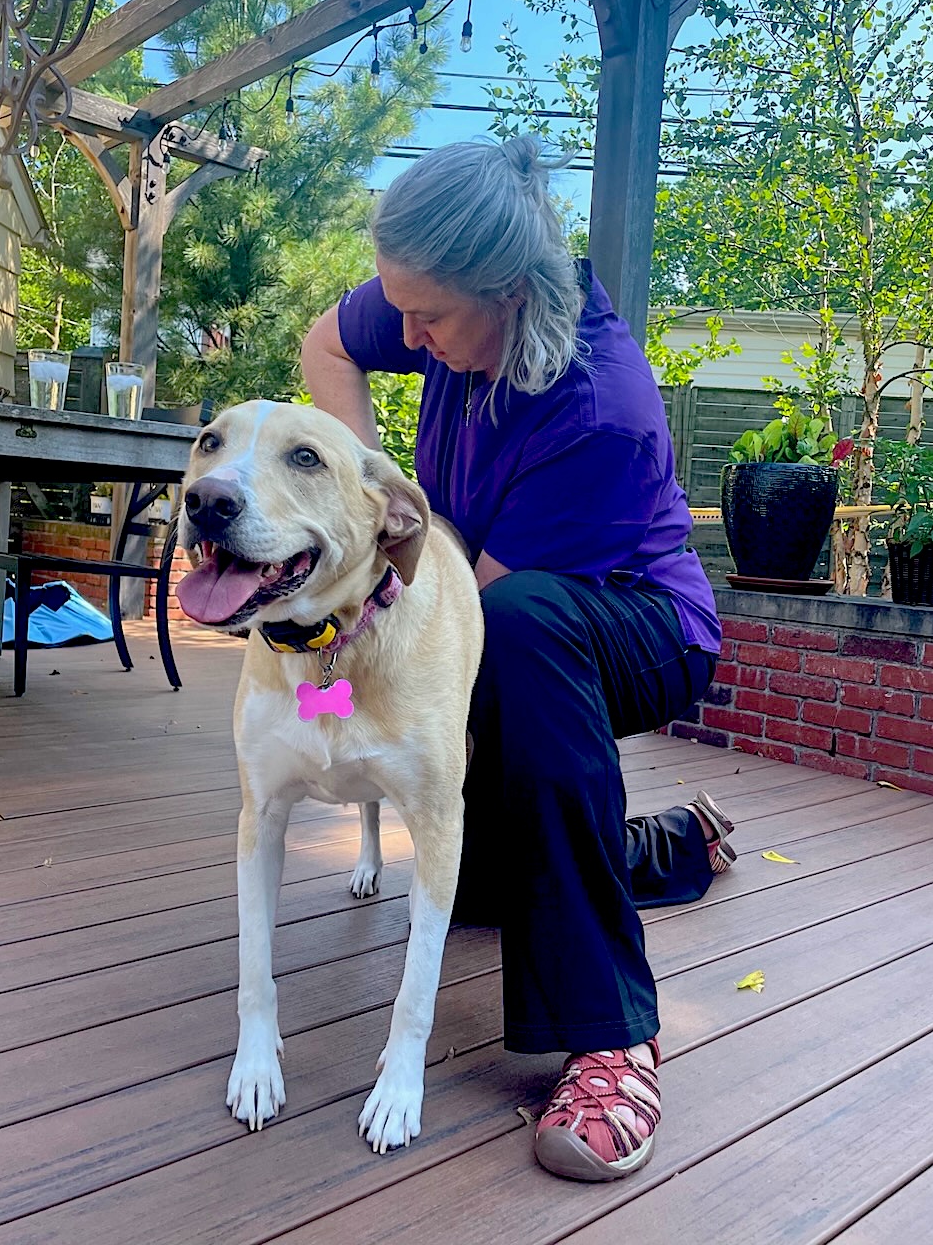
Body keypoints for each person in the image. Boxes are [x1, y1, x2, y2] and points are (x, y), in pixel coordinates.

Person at [300, 135, 732, 1183]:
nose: (403, 333)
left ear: (505, 290)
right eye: (398, 308)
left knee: (525, 634)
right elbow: (326, 342)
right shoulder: (434, 298)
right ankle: (664, 846)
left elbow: (463, 619)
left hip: (639, 625)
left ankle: (611, 1034)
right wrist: (364, 484)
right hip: (496, 596)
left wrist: (351, 619)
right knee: (488, 883)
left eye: (428, 318)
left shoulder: (599, 406)